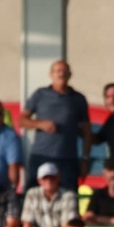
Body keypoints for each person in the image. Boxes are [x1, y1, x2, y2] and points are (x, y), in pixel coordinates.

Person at [20, 60, 93, 191]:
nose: (61, 74)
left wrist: (85, 158)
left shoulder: (78, 99)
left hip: (67, 158)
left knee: (68, 196)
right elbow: (22, 120)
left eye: (65, 71)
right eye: (58, 71)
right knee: (33, 194)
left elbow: (87, 131)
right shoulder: (40, 94)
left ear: (70, 74)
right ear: (51, 74)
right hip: (41, 155)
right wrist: (40, 124)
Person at [18, 162, 79, 227]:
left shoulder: (69, 196)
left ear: (58, 178)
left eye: (52, 177)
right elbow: (27, 224)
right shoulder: (32, 194)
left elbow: (67, 226)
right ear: (39, 180)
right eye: (45, 178)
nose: (48, 181)